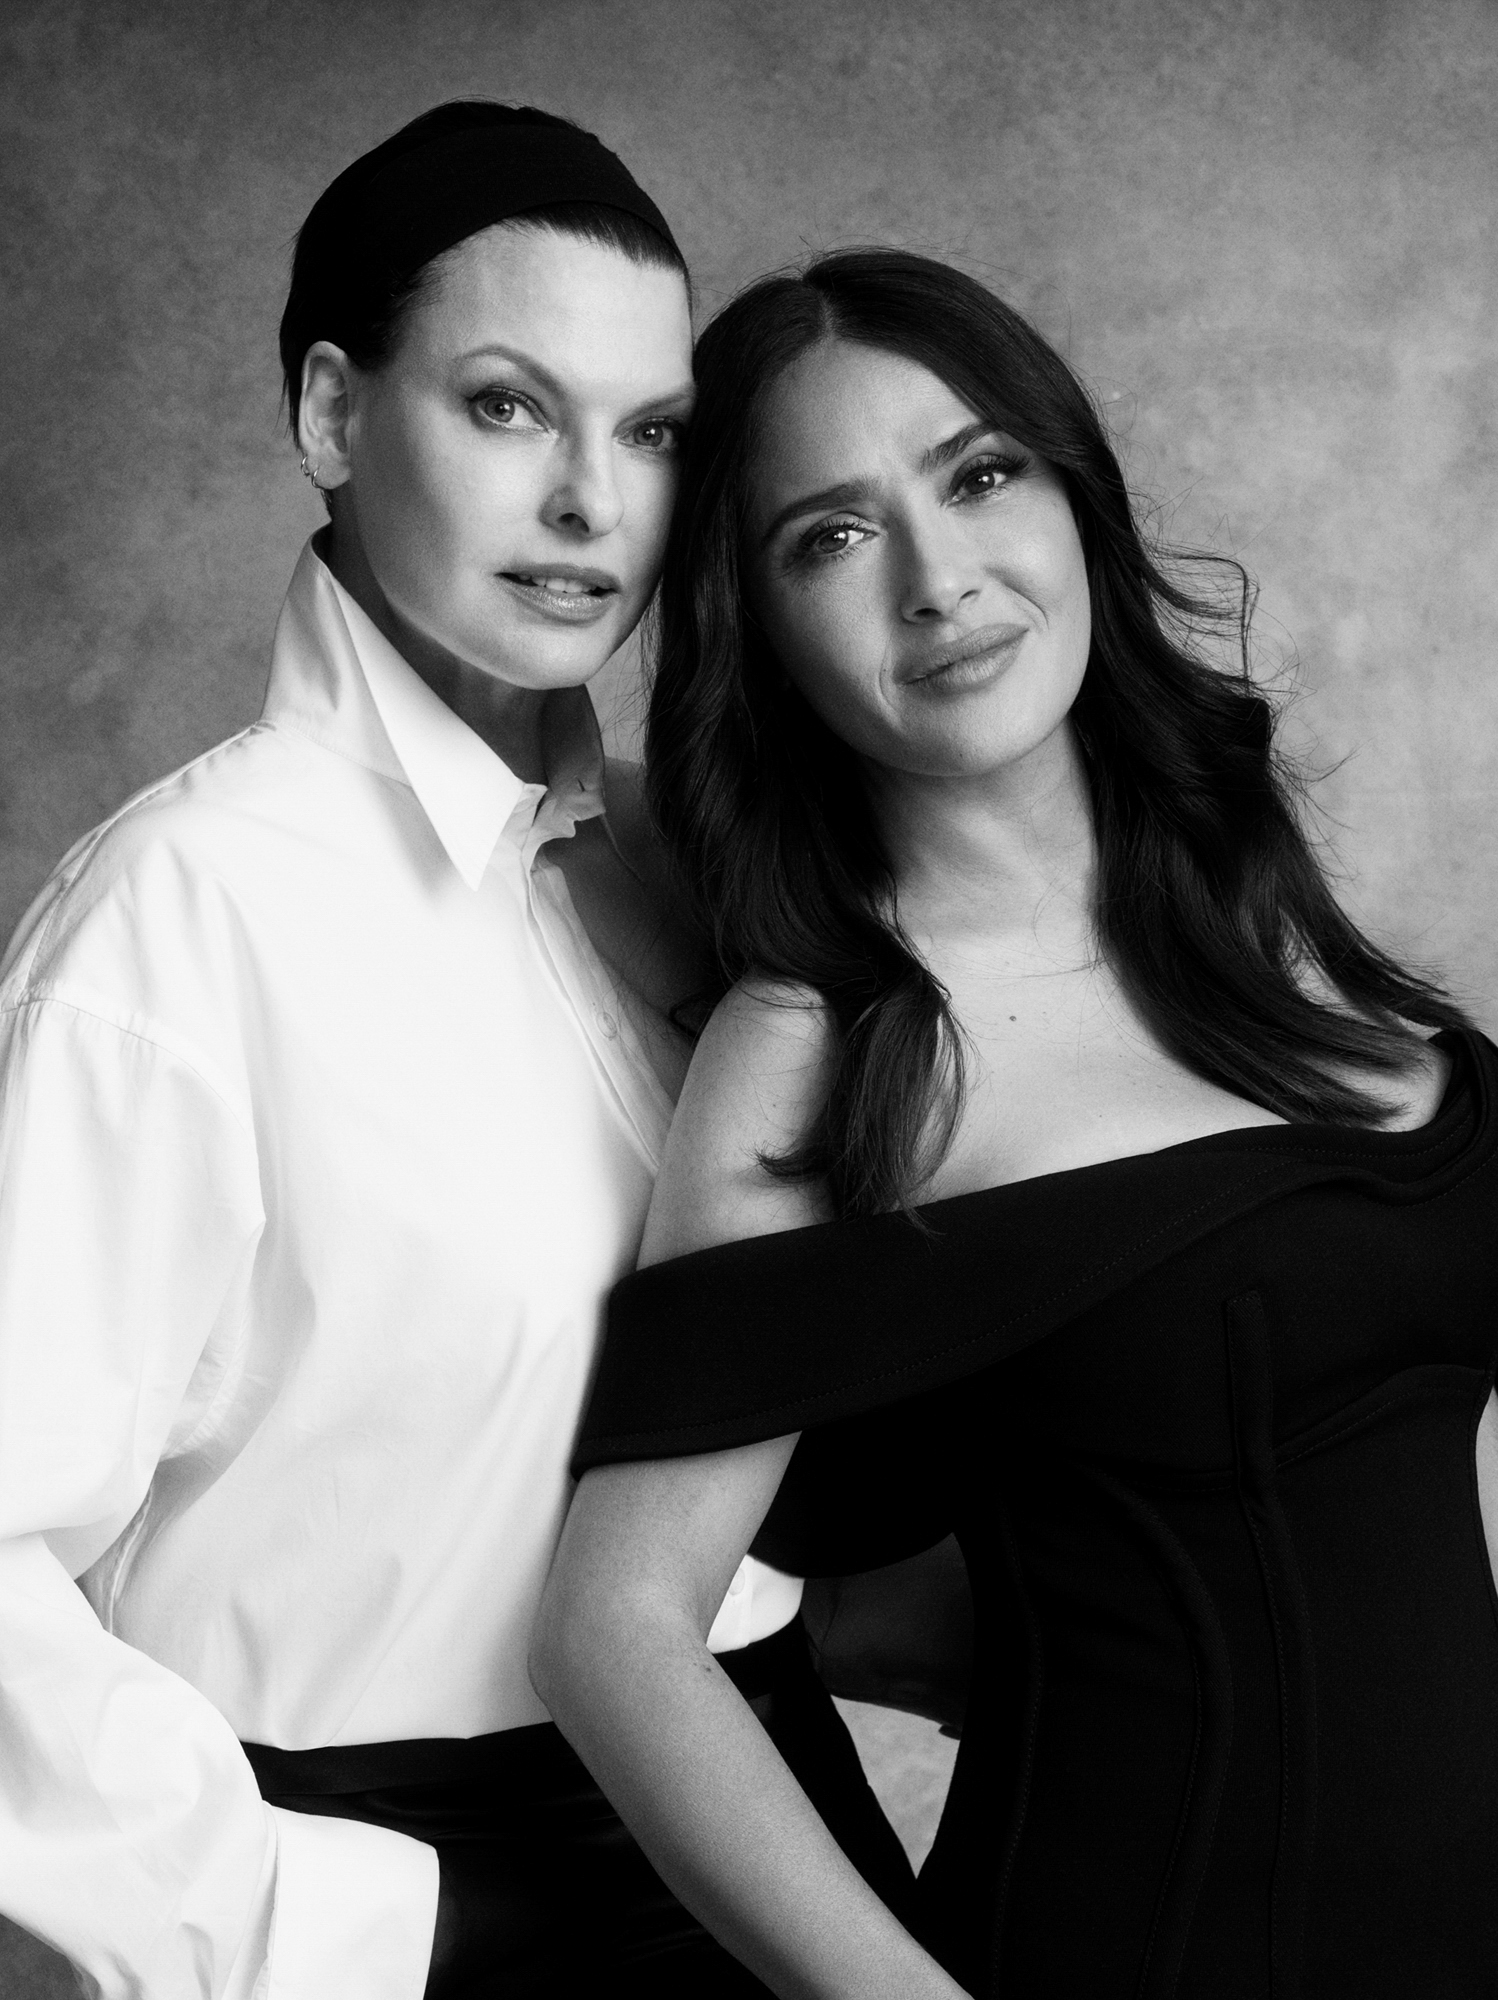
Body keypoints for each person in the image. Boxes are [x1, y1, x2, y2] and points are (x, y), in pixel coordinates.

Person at [0, 110, 912, 2000]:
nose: (593, 503)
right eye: (508, 408)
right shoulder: (178, 918)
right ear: (335, 416)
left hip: (779, 1824)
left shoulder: (694, 874)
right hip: (422, 1885)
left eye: (651, 432)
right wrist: (347, 1927)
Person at [532, 247, 1498, 1998]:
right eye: (828, 536)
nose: (937, 579)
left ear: (1071, 496)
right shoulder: (826, 1041)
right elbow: (616, 1632)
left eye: (978, 476)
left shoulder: (1263, 925)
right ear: (759, 631)